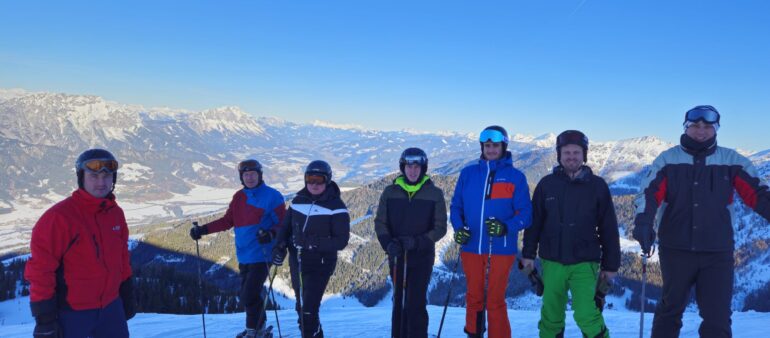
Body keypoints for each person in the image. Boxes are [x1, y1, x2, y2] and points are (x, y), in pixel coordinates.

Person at [633, 105, 770, 338]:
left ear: (716, 128)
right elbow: (648, 192)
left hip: (717, 251)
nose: (701, 130)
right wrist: (643, 222)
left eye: (707, 126)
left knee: (717, 317)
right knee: (669, 311)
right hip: (676, 249)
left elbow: (757, 194)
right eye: (695, 125)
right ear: (686, 127)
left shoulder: (731, 160)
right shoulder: (668, 159)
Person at [24, 148, 134, 338]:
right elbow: (41, 269)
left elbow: (122, 256)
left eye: (107, 176)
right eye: (93, 176)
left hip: (111, 309)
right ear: (81, 178)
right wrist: (45, 318)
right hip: (73, 313)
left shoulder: (115, 214)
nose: (101, 182)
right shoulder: (59, 218)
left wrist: (126, 289)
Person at [521, 130, 620, 338]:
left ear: (584, 155)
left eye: (576, 152)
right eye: (567, 152)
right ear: (559, 155)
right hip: (552, 262)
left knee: (587, 314)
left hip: (585, 262)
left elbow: (608, 229)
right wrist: (528, 254)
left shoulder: (597, 186)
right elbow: (534, 224)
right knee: (551, 316)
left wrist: (610, 267)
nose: (571, 157)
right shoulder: (546, 185)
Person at [450, 125, 533, 338]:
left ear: (503, 146)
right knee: (474, 296)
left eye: (495, 145)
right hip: (471, 246)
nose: (491, 149)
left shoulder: (516, 177)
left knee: (495, 300)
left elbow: (526, 214)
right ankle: (474, 333)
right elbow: (456, 206)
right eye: (487, 145)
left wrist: (506, 226)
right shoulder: (468, 174)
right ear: (482, 147)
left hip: (501, 249)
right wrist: (459, 229)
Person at [189, 159, 286, 338]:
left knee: (248, 294)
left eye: (253, 174)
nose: (249, 178)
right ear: (241, 177)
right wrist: (203, 230)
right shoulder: (239, 197)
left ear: (260, 175)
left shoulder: (272, 196)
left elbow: (283, 223)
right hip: (244, 255)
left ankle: (253, 331)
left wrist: (271, 234)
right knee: (251, 294)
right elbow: (227, 221)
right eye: (246, 175)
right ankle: (260, 327)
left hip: (263, 253)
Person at [272, 160, 350, 338]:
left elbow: (341, 241)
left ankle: (310, 332)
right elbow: (285, 228)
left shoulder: (336, 207)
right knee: (301, 307)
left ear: (327, 180)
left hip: (320, 264)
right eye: (310, 179)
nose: (314, 184)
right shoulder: (298, 201)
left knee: (308, 310)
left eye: (319, 180)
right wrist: (280, 247)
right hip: (297, 262)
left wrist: (311, 242)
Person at [374, 147, 448, 338]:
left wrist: (417, 243)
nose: (413, 170)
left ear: (423, 168)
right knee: (398, 301)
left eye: (417, 166)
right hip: (397, 256)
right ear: (402, 167)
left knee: (415, 303)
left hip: (421, 257)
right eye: (409, 166)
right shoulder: (390, 192)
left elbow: (440, 228)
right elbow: (381, 222)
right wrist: (388, 243)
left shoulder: (434, 193)